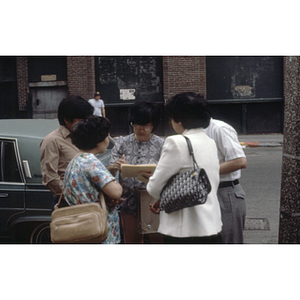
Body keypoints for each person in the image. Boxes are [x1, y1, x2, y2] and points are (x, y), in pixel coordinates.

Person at [146, 92, 222, 244]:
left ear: (179, 119)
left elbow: (154, 187)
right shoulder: (210, 142)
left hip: (183, 229)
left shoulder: (177, 142)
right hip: (211, 224)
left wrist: (160, 195)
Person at [107, 101, 164, 244]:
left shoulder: (162, 144)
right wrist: (115, 166)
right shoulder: (122, 142)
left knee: (156, 238)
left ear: (154, 125)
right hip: (128, 197)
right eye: (136, 124)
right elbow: (109, 173)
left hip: (152, 198)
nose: (141, 129)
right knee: (131, 240)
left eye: (147, 125)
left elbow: (167, 172)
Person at [63, 116, 123, 244]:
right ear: (98, 141)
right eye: (107, 136)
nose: (108, 140)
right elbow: (116, 192)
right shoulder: (90, 161)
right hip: (99, 231)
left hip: (83, 227)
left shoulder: (75, 160)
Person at [40, 95, 94, 211]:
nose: (85, 123)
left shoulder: (82, 136)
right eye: (81, 120)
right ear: (66, 119)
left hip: (88, 199)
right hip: (67, 202)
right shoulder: (52, 140)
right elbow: (50, 177)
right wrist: (72, 195)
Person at [205, 114, 247, 244]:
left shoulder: (219, 128)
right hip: (206, 191)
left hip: (225, 191)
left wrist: (203, 173)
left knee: (229, 239)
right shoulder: (192, 132)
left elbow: (239, 161)